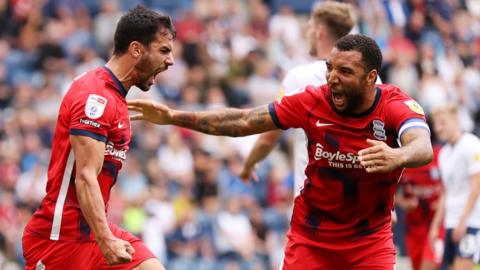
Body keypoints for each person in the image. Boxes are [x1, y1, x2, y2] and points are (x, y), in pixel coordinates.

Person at [128, 34, 433, 269]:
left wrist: (398, 155)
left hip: (369, 241)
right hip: (312, 238)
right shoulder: (313, 101)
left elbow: (422, 145)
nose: (331, 78)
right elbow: (243, 120)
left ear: (371, 78)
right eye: (329, 69)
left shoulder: (393, 105)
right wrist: (173, 116)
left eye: (345, 71)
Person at [22, 6, 174, 270]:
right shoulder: (96, 96)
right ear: (136, 50)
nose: (170, 60)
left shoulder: (112, 96)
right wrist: (106, 240)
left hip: (91, 231)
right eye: (163, 50)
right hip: (60, 238)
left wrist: (173, 117)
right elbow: (85, 177)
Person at [239, 1, 356, 197]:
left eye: (310, 27)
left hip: (312, 203)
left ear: (319, 31)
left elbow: (268, 137)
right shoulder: (369, 77)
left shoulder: (298, 77)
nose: (308, 33)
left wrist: (248, 165)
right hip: (354, 201)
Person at [430, 103, 480, 270]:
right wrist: (435, 226)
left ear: (455, 120)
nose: (438, 128)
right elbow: (446, 191)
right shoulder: (444, 153)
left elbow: (476, 186)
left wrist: (463, 221)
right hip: (451, 223)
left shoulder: (471, 144)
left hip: (471, 223)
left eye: (442, 122)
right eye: (436, 124)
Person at [396, 142, 443, 270]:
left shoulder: (441, 154)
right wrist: (403, 203)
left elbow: (451, 186)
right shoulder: (401, 158)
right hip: (414, 227)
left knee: (430, 264)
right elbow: (387, 191)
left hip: (438, 224)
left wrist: (443, 203)